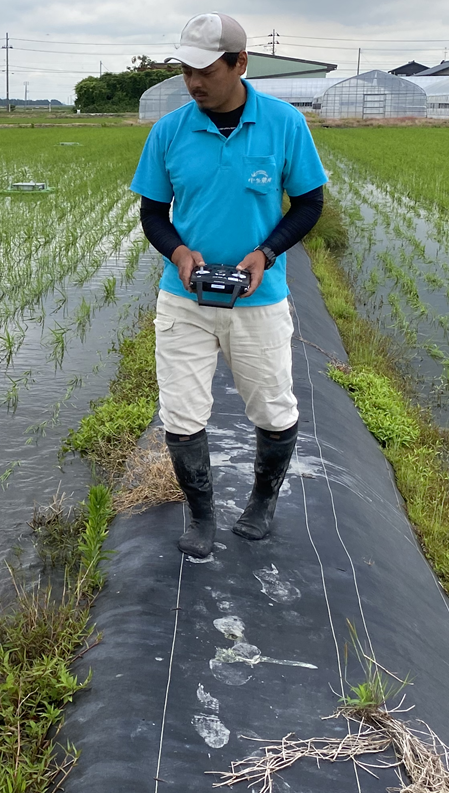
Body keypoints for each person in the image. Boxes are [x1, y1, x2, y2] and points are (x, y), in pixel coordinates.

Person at [129, 12, 327, 559]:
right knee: (181, 412)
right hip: (184, 298)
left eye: (206, 72)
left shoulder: (284, 124)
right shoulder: (170, 131)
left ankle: (262, 502)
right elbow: (153, 211)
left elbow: (309, 203)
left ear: (240, 63)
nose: (194, 84)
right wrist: (179, 251)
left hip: (257, 299)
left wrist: (266, 254)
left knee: (272, 407)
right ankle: (201, 515)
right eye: (186, 71)